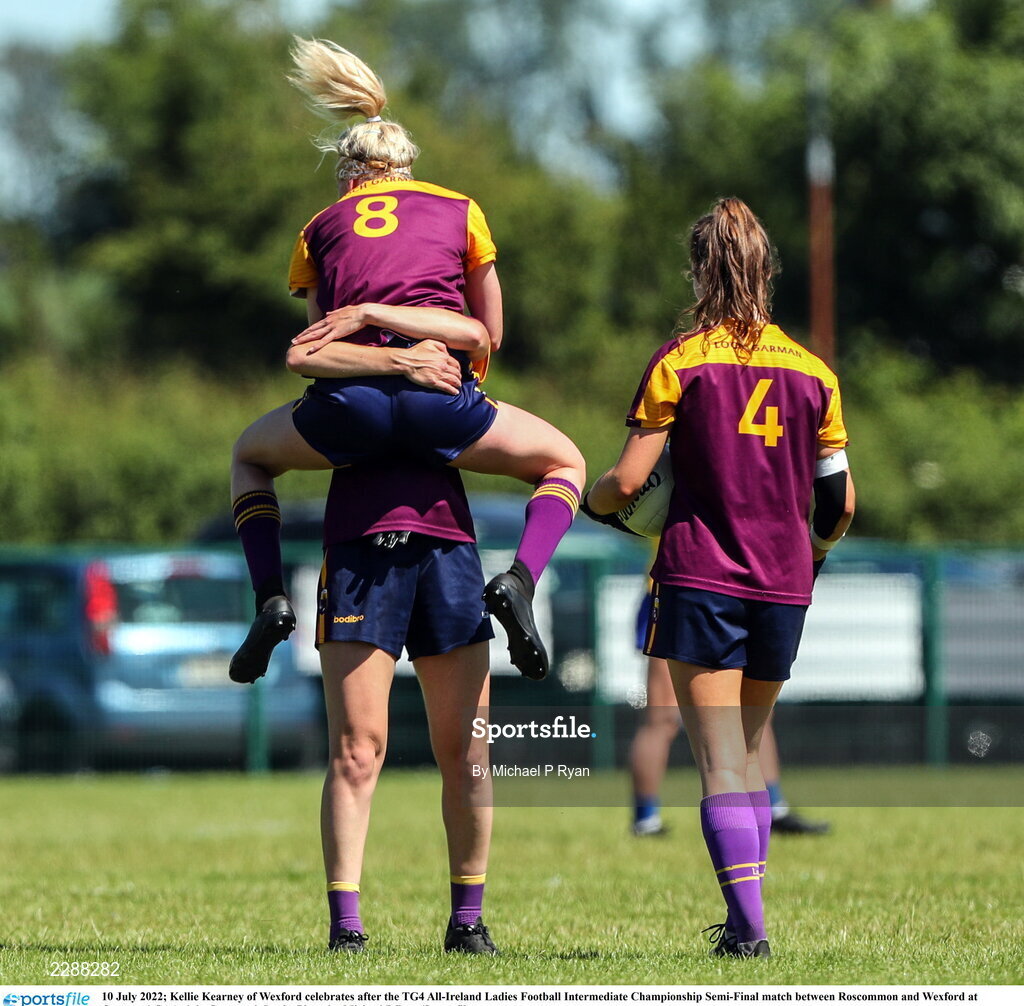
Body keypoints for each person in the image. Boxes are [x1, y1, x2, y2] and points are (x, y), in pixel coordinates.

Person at [229, 37, 584, 685]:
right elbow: (487, 335)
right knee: (565, 460)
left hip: (350, 411)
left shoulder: (319, 227)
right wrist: (415, 359)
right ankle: (522, 579)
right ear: (407, 169)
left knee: (249, 457)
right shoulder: (460, 210)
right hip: (441, 399)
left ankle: (270, 597)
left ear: (349, 174)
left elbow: (316, 356)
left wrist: (368, 325)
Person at [583, 197, 855, 958]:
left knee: (717, 763)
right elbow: (837, 505)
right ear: (767, 270)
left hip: (702, 575)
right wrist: (818, 552)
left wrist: (594, 500)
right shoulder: (814, 373)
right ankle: (743, 922)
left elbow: (631, 478)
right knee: (748, 750)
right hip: (784, 583)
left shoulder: (681, 360)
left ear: (700, 271)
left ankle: (751, 929)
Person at [315, 452, 499, 955]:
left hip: (449, 552)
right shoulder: (345, 386)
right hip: (359, 552)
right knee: (356, 750)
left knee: (469, 753)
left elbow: (554, 457)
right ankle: (346, 927)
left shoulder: (451, 384)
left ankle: (467, 922)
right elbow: (256, 448)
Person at [630, 596, 829, 837]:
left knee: (755, 714)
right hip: (682, 590)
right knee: (663, 717)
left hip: (745, 589)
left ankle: (774, 809)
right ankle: (646, 820)